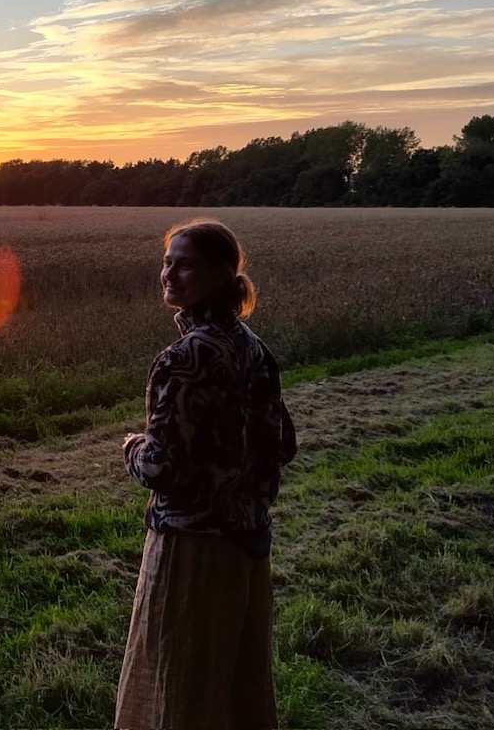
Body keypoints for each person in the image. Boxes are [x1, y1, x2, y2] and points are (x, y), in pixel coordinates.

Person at [115, 219, 297, 730]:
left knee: (177, 685)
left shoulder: (184, 358)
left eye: (185, 265)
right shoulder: (252, 346)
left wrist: (130, 447)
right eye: (167, 262)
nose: (169, 274)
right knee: (235, 686)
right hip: (246, 543)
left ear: (220, 275)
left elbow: (160, 466)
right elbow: (283, 443)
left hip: (190, 548)